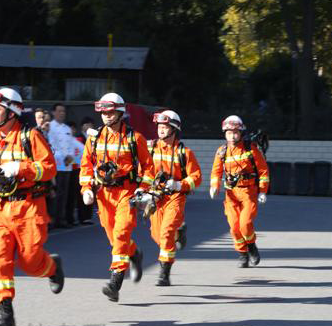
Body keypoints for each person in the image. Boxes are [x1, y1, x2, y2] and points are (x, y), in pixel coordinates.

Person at [0, 88, 64, 326]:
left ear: (12, 111)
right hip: (1, 208)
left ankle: (53, 267)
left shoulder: (31, 135)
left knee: (30, 262)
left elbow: (49, 168)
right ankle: (6, 314)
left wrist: (19, 168)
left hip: (30, 208)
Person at [79, 92, 155, 302]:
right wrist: (86, 188)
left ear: (120, 112)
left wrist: (143, 189)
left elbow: (149, 167)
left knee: (121, 233)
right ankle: (134, 254)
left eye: (110, 112)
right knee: (115, 238)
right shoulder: (94, 139)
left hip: (126, 192)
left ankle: (115, 280)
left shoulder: (135, 138)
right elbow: (86, 166)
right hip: (104, 195)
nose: (106, 116)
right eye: (103, 112)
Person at [147, 110, 202, 286]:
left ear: (174, 129)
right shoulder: (150, 148)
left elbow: (196, 177)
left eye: (164, 127)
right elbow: (142, 170)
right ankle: (179, 233)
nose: (160, 130)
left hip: (175, 197)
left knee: (166, 232)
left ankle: (164, 272)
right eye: (159, 127)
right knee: (157, 235)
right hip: (155, 197)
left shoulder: (184, 153)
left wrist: (180, 185)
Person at [209, 115, 269, 268]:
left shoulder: (250, 150)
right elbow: (216, 172)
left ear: (241, 132)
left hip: (249, 193)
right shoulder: (222, 151)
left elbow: (263, 171)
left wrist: (262, 191)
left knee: (245, 223)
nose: (232, 135)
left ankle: (251, 246)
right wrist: (214, 186)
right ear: (225, 134)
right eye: (229, 133)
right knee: (234, 228)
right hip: (230, 195)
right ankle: (243, 254)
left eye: (235, 132)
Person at [47, 103, 75, 228]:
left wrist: (70, 157)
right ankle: (52, 219)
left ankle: (61, 218)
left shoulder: (67, 129)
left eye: (63, 111)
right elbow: (51, 145)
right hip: (56, 165)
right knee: (54, 193)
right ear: (53, 112)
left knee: (64, 193)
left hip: (67, 165)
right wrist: (62, 157)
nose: (62, 113)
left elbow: (71, 146)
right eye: (59, 111)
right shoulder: (50, 127)